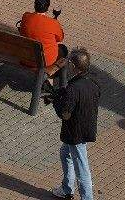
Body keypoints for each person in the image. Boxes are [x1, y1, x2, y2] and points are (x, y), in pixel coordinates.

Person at [49, 47, 100, 200]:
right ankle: (66, 188)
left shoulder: (73, 88)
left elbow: (65, 113)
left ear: (73, 66)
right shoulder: (93, 82)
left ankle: (87, 198)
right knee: (65, 154)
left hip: (76, 132)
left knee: (81, 166)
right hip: (87, 125)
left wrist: (56, 101)